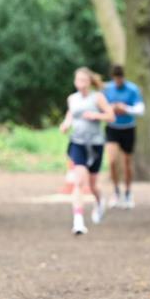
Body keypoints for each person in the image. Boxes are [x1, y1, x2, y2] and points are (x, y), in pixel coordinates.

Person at [59, 67, 115, 235]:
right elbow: (70, 115)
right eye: (78, 81)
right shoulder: (72, 99)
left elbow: (111, 116)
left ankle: (99, 202)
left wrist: (96, 116)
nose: (80, 84)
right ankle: (78, 222)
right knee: (79, 181)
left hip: (95, 145)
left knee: (92, 184)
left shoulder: (97, 97)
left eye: (84, 81)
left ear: (90, 82)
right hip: (77, 143)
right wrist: (66, 124)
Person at [103, 64, 145, 209]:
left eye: (120, 79)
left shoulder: (132, 89)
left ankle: (128, 193)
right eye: (116, 79)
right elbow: (101, 106)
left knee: (127, 162)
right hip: (112, 128)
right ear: (113, 78)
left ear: (123, 77)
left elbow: (140, 109)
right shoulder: (107, 89)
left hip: (128, 128)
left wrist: (125, 108)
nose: (118, 82)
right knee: (113, 160)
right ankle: (115, 192)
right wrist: (112, 108)